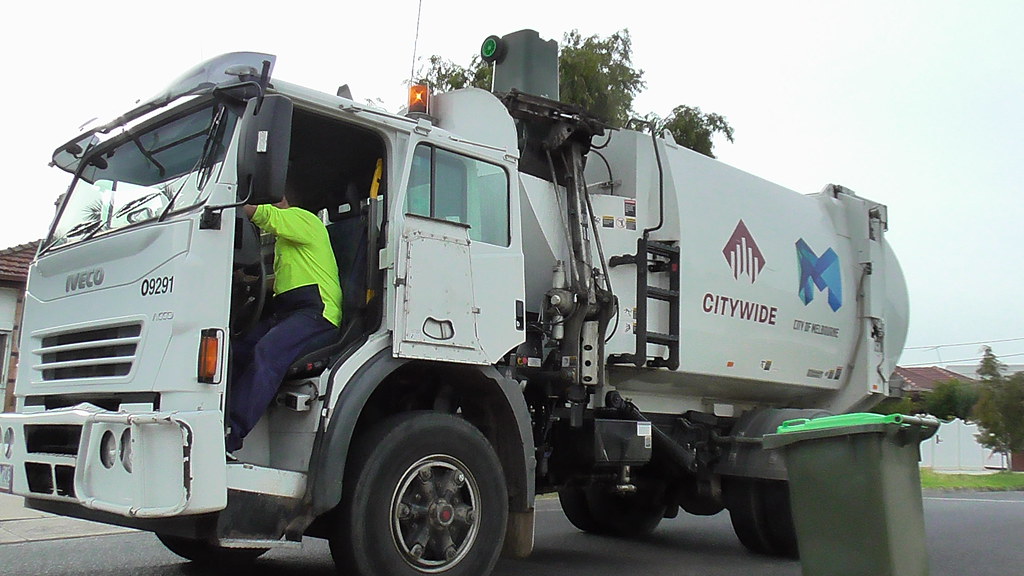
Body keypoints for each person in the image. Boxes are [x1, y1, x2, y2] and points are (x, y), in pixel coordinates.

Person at [226, 188, 342, 456]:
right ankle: (215, 417)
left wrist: (235, 204)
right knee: (235, 350)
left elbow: (268, 217)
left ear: (284, 201)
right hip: (289, 311)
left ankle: (231, 433)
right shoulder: (287, 242)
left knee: (267, 351)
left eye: (273, 200)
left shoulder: (304, 220)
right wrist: (246, 282)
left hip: (317, 313)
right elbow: (282, 281)